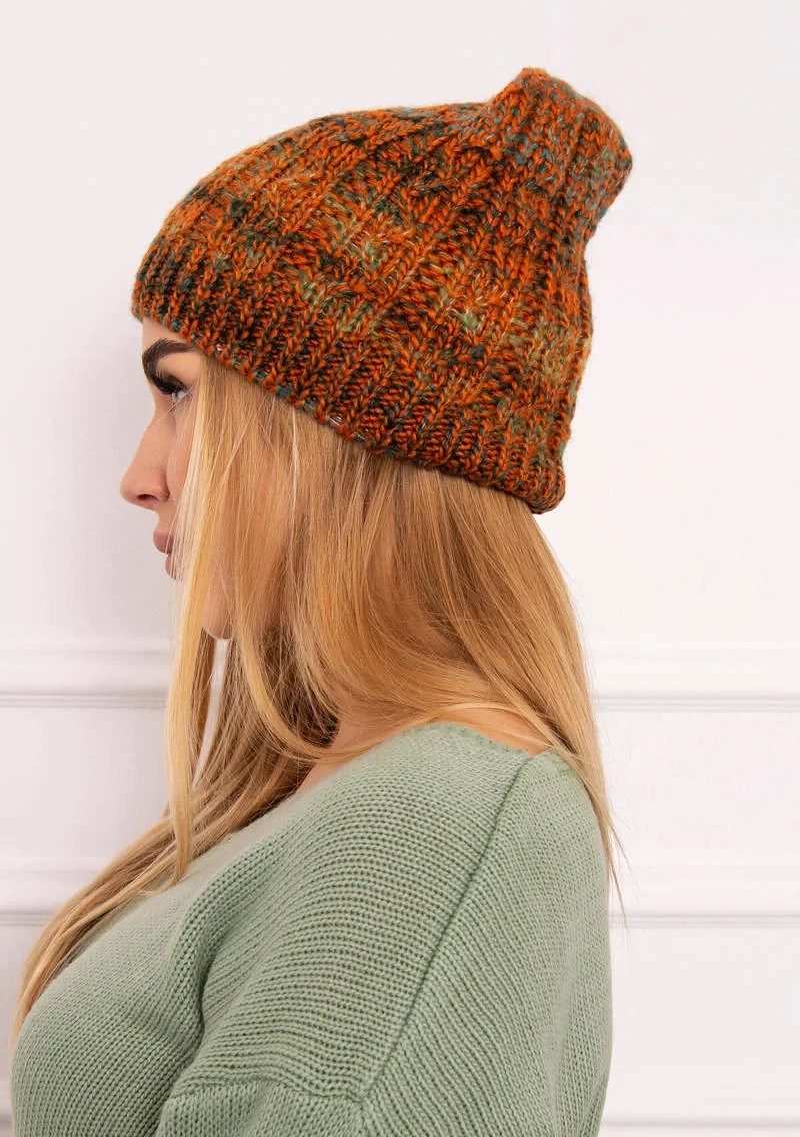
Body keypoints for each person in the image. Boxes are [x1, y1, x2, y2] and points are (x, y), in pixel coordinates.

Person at [10, 66, 633, 1135]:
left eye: (177, 392)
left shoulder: (431, 829)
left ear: (333, 428)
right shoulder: (359, 785)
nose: (138, 476)